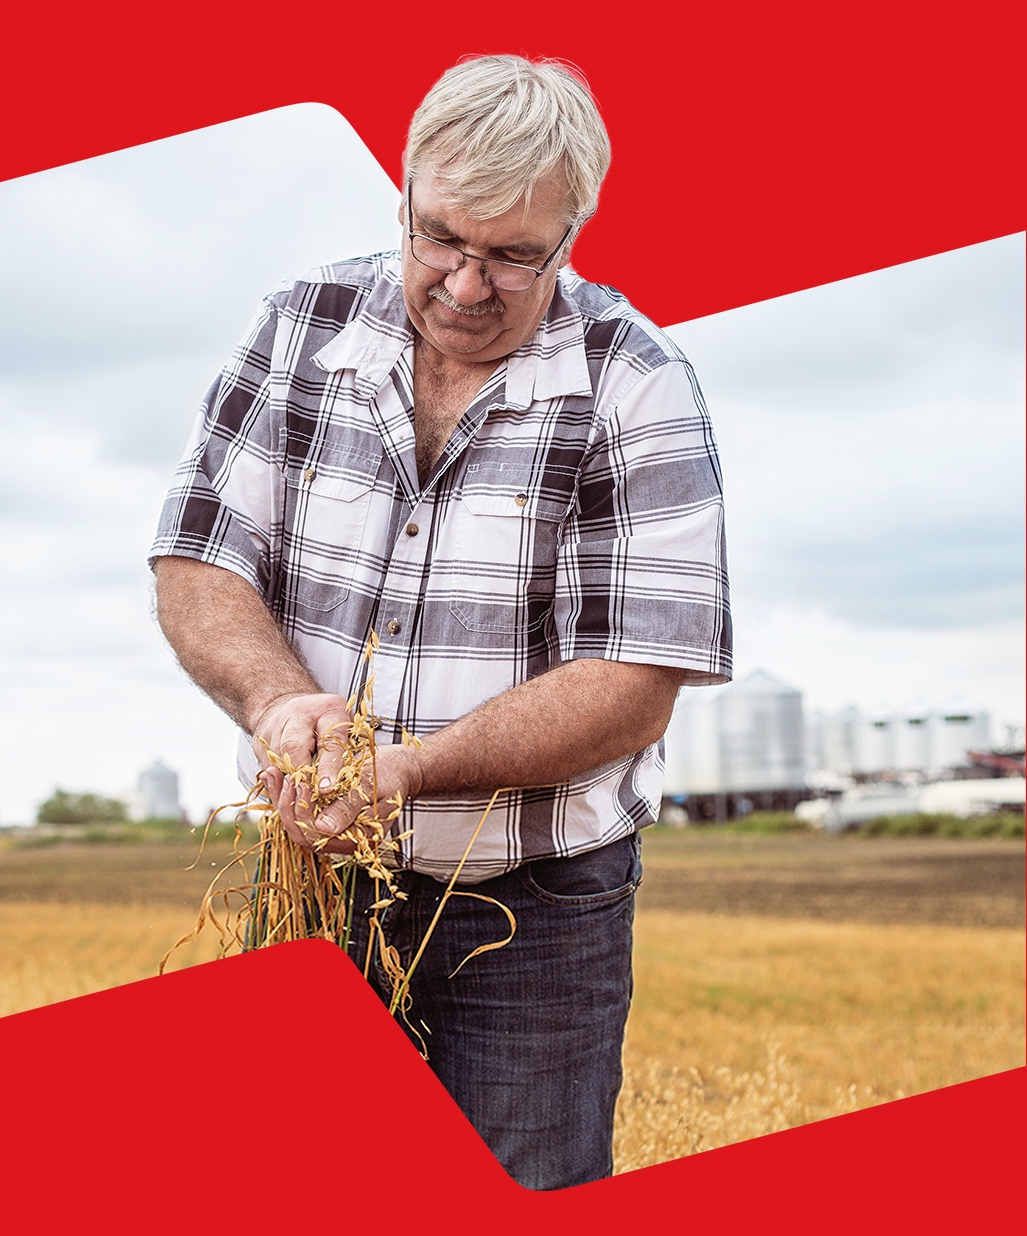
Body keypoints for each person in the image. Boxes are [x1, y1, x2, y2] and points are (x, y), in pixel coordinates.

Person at [149, 54, 732, 1190]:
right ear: (405, 196)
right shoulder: (298, 326)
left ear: (571, 237)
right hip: (314, 881)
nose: (466, 284)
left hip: (537, 913)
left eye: (513, 255)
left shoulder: (638, 381)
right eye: (442, 238)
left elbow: (634, 680)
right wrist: (278, 703)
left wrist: (411, 771)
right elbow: (199, 560)